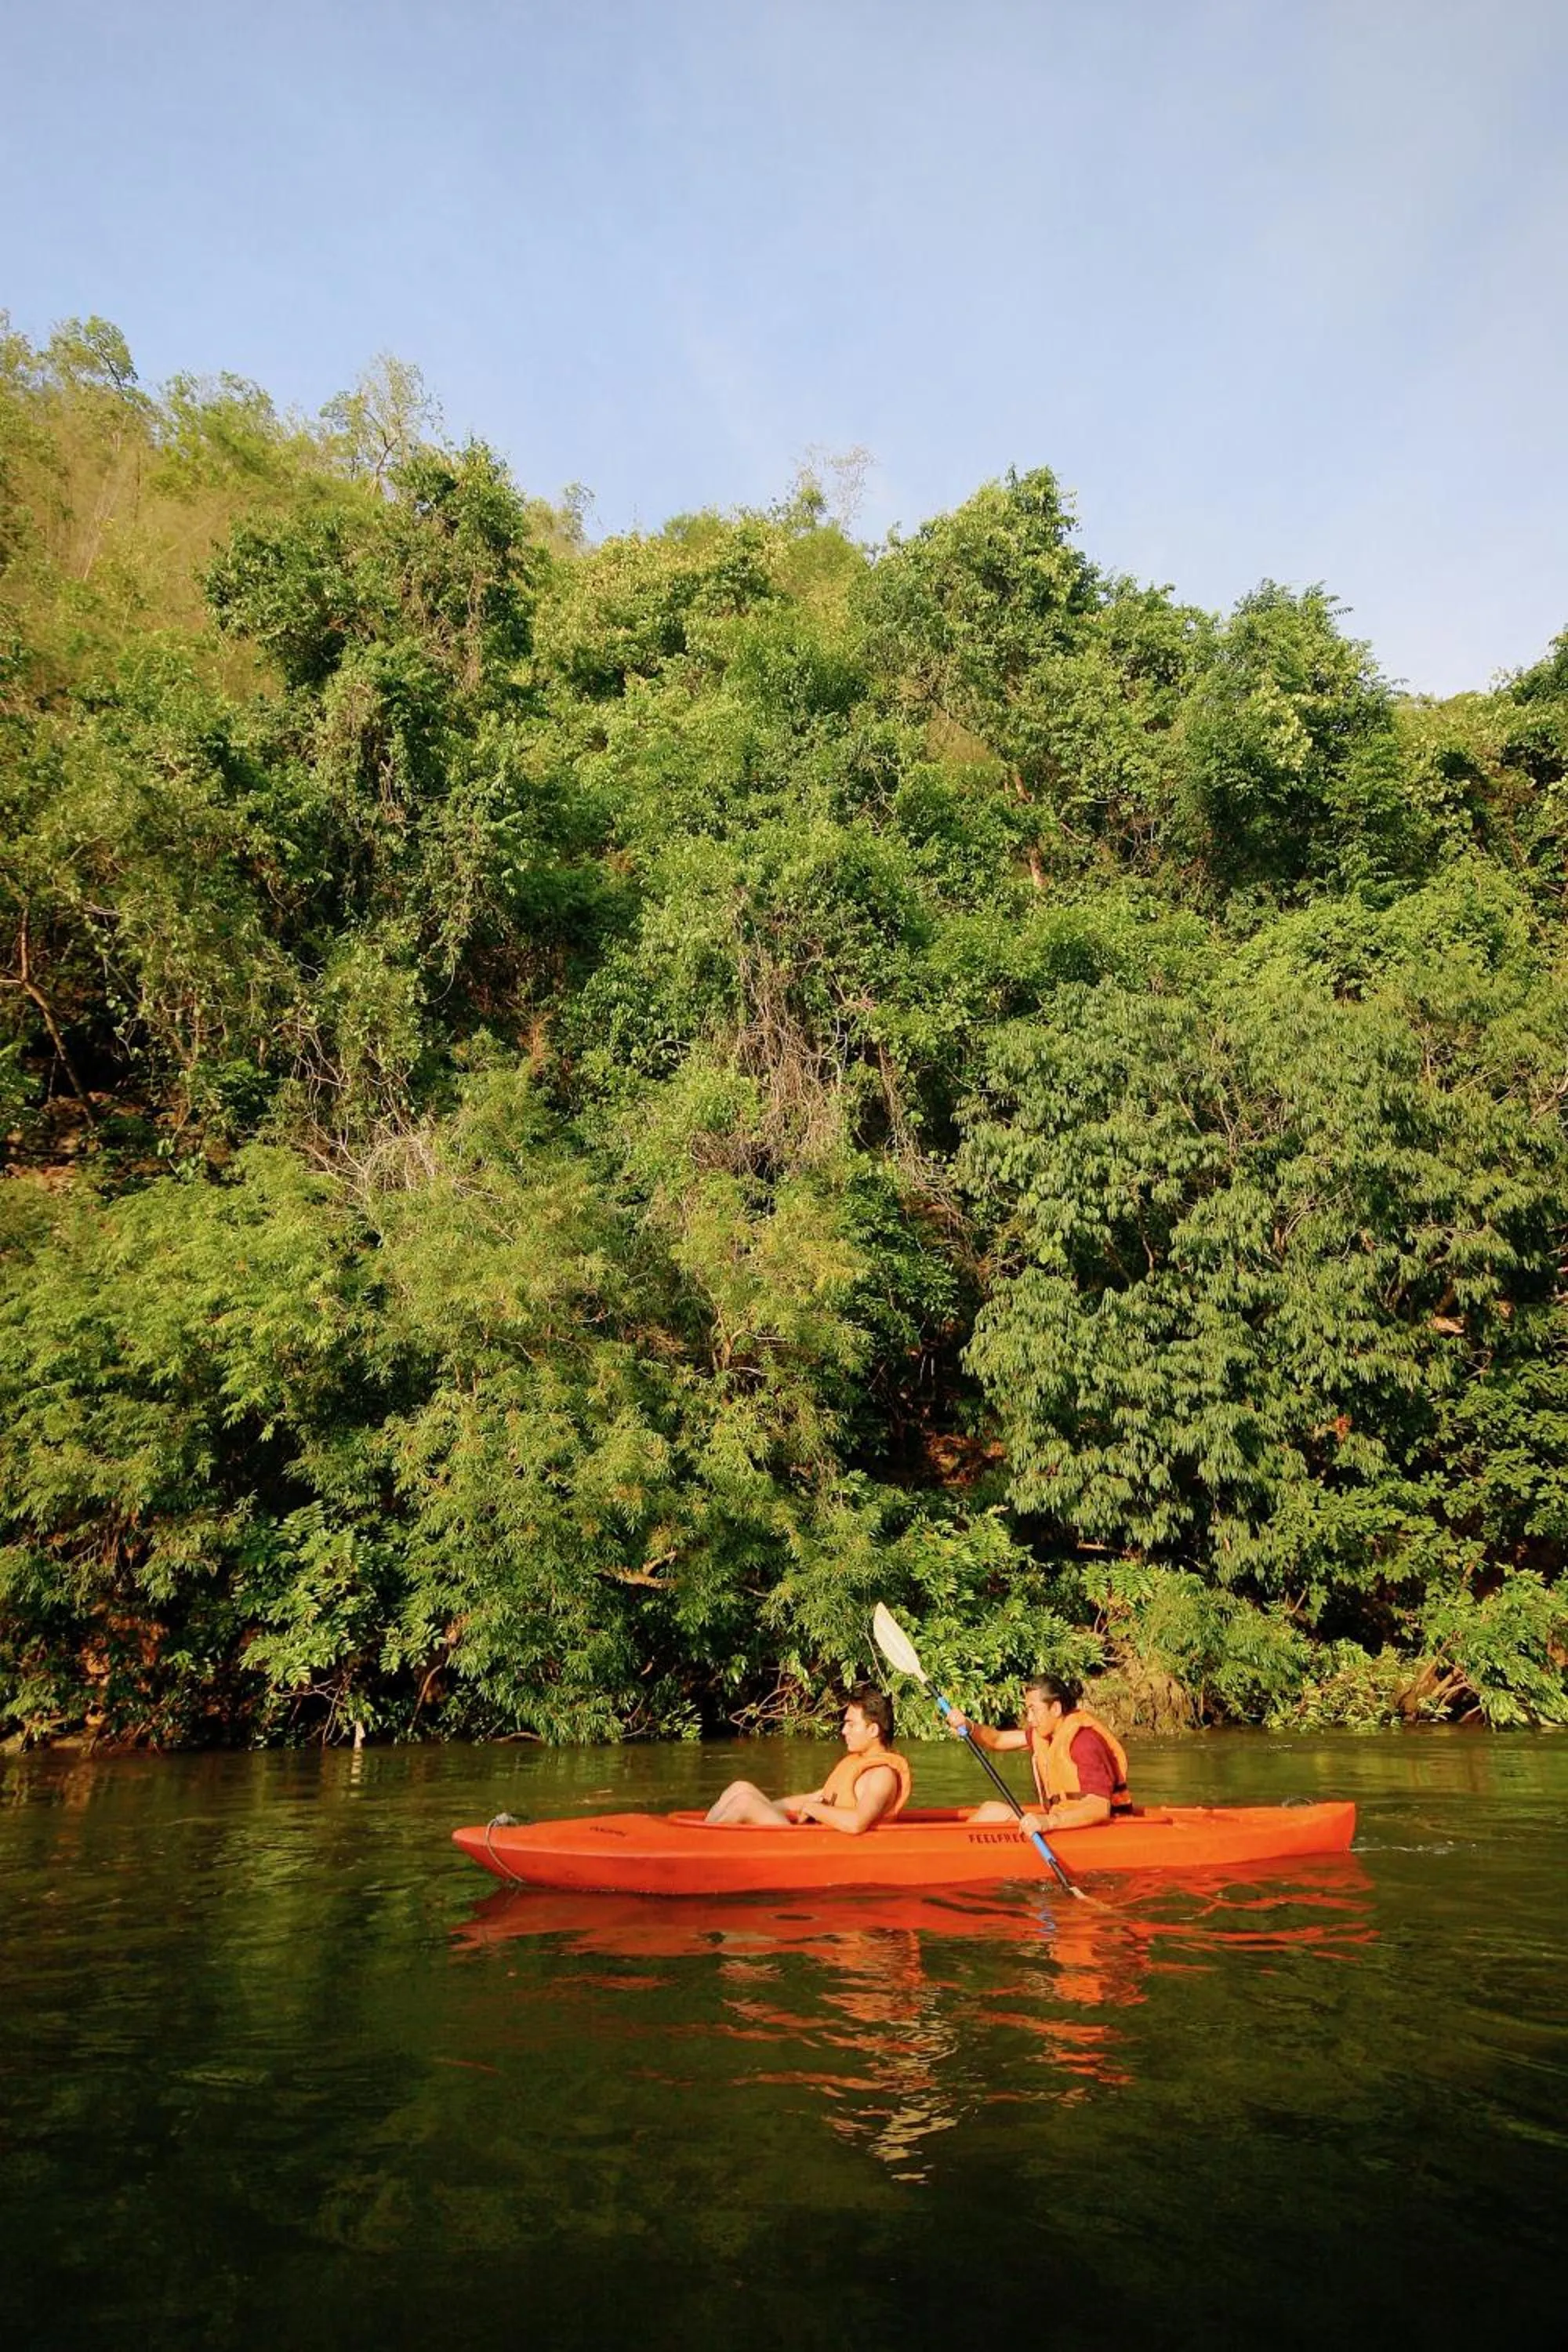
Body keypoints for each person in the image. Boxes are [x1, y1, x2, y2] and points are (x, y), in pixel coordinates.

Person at [703, 1685, 913, 1835]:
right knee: (741, 1789)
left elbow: (857, 1823)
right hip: (812, 1836)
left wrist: (813, 1809)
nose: (843, 1731)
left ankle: (704, 1844)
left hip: (822, 1848)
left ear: (873, 1730)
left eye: (851, 1724)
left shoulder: (882, 1776)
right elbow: (816, 1797)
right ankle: (701, 1836)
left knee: (744, 1804)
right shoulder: (856, 1763)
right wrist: (768, 1807)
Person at [946, 1672, 1131, 1835]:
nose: (1029, 1718)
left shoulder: (1084, 1742)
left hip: (1096, 1830)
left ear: (1055, 1708)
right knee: (990, 1810)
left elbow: (1099, 1808)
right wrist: (969, 1727)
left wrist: (1049, 1822)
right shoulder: (1045, 1736)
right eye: (1028, 1710)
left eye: (1033, 1710)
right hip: (1062, 1820)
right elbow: (997, 1740)